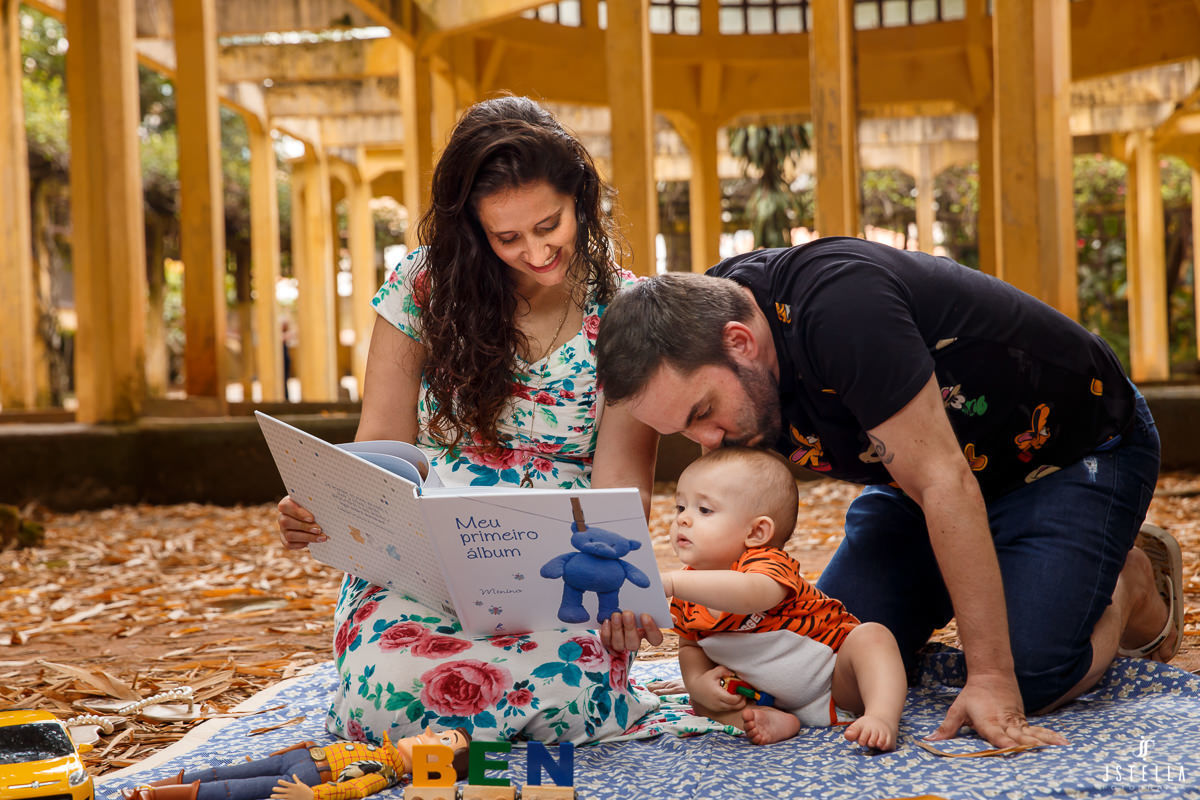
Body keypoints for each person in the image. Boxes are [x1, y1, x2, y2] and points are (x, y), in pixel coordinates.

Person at [593, 237, 1172, 750]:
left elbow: (946, 480)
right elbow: (715, 506)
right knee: (827, 657)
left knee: (1027, 679)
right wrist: (682, 634)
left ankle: (1130, 582)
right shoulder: (694, 321)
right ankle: (1025, 569)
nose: (707, 442)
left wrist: (991, 677)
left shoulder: (841, 310)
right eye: (684, 430)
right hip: (914, 484)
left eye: (703, 412)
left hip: (1069, 456)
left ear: (740, 341)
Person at [276, 96, 662, 745]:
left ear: (580, 198)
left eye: (550, 224)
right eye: (508, 238)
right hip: (417, 563)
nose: (536, 251)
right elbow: (380, 449)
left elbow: (623, 488)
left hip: (560, 572)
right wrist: (324, 506)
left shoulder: (626, 310)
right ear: (473, 230)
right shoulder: (422, 288)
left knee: (568, 702)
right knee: (392, 696)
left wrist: (615, 591)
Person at [662, 447, 906, 751]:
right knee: (704, 702)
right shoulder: (687, 593)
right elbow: (690, 646)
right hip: (762, 696)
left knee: (873, 637)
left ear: (757, 532)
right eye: (680, 507)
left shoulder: (768, 563)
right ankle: (772, 719)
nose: (683, 520)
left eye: (704, 510)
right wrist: (697, 683)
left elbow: (751, 594)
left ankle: (881, 716)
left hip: (835, 680)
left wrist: (673, 582)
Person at [119, 727, 469, 800]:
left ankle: (151, 797)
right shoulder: (380, 749)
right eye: (439, 731)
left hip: (307, 780)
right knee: (222, 772)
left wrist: (312, 796)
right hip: (298, 758)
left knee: (232, 789)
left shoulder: (385, 773)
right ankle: (156, 785)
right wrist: (293, 750)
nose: (428, 732)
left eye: (442, 741)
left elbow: (352, 788)